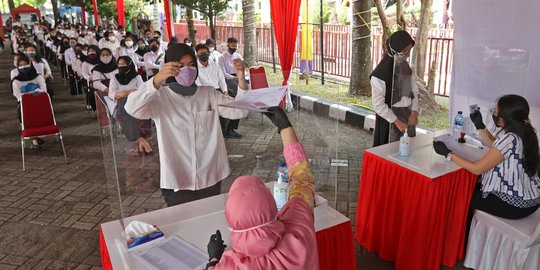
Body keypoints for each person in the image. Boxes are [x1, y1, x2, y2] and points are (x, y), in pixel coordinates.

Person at [125, 44, 249, 207]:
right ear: (168, 67)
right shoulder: (160, 98)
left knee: (210, 222)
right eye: (180, 66)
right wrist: (156, 80)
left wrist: (241, 79)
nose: (187, 70)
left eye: (191, 65)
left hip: (210, 176)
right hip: (178, 180)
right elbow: (132, 108)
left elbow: (240, 111)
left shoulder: (208, 94)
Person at [205, 107, 319, 270]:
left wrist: (214, 259)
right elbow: (302, 179)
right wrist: (285, 127)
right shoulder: (299, 228)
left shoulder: (231, 265)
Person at [432, 94, 540, 245]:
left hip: (515, 205)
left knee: (460, 195)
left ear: (503, 119)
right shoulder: (525, 131)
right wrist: (480, 125)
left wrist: (448, 154)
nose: (494, 115)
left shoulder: (510, 138)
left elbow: (477, 169)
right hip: (532, 200)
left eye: (496, 112)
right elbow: (497, 147)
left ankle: (460, 244)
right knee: (472, 187)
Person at [371, 30, 419, 147]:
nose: (407, 54)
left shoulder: (406, 68)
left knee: (407, 151)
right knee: (389, 153)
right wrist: (396, 122)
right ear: (395, 49)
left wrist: (414, 111)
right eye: (404, 51)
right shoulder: (380, 74)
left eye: (409, 51)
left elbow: (414, 91)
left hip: (407, 116)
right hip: (389, 120)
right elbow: (378, 104)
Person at [109, 56, 152, 153]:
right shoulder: (114, 77)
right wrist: (122, 93)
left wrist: (128, 92)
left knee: (143, 107)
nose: (121, 66)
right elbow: (111, 93)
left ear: (129, 65)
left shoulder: (136, 76)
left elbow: (142, 89)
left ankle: (142, 141)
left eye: (124, 64)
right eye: (119, 64)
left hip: (136, 102)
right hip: (121, 104)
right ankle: (140, 140)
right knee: (125, 104)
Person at [217, 37, 244, 139]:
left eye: (235, 45)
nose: (234, 47)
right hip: (227, 80)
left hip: (238, 78)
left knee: (242, 98)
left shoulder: (238, 56)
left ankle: (231, 128)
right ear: (228, 45)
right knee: (235, 99)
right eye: (232, 45)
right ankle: (228, 129)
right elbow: (222, 73)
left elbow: (242, 67)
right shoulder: (222, 57)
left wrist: (241, 76)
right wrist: (234, 77)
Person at [81, 45, 101, 110]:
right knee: (92, 93)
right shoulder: (85, 63)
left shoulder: (101, 61)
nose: (91, 53)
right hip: (92, 81)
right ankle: (95, 107)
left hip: (103, 79)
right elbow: (85, 74)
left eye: (93, 51)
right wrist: (91, 78)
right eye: (89, 51)